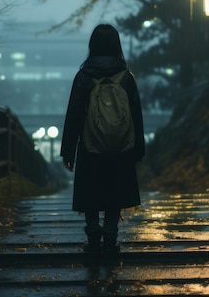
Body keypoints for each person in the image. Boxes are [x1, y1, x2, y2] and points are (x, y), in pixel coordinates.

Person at [60, 24, 145, 253]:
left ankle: (93, 237)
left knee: (91, 190)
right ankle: (110, 237)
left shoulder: (84, 76)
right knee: (114, 191)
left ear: (92, 46)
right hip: (121, 145)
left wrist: (68, 151)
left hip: (90, 144)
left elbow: (74, 115)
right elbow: (136, 114)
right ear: (117, 45)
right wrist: (139, 148)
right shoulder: (126, 77)